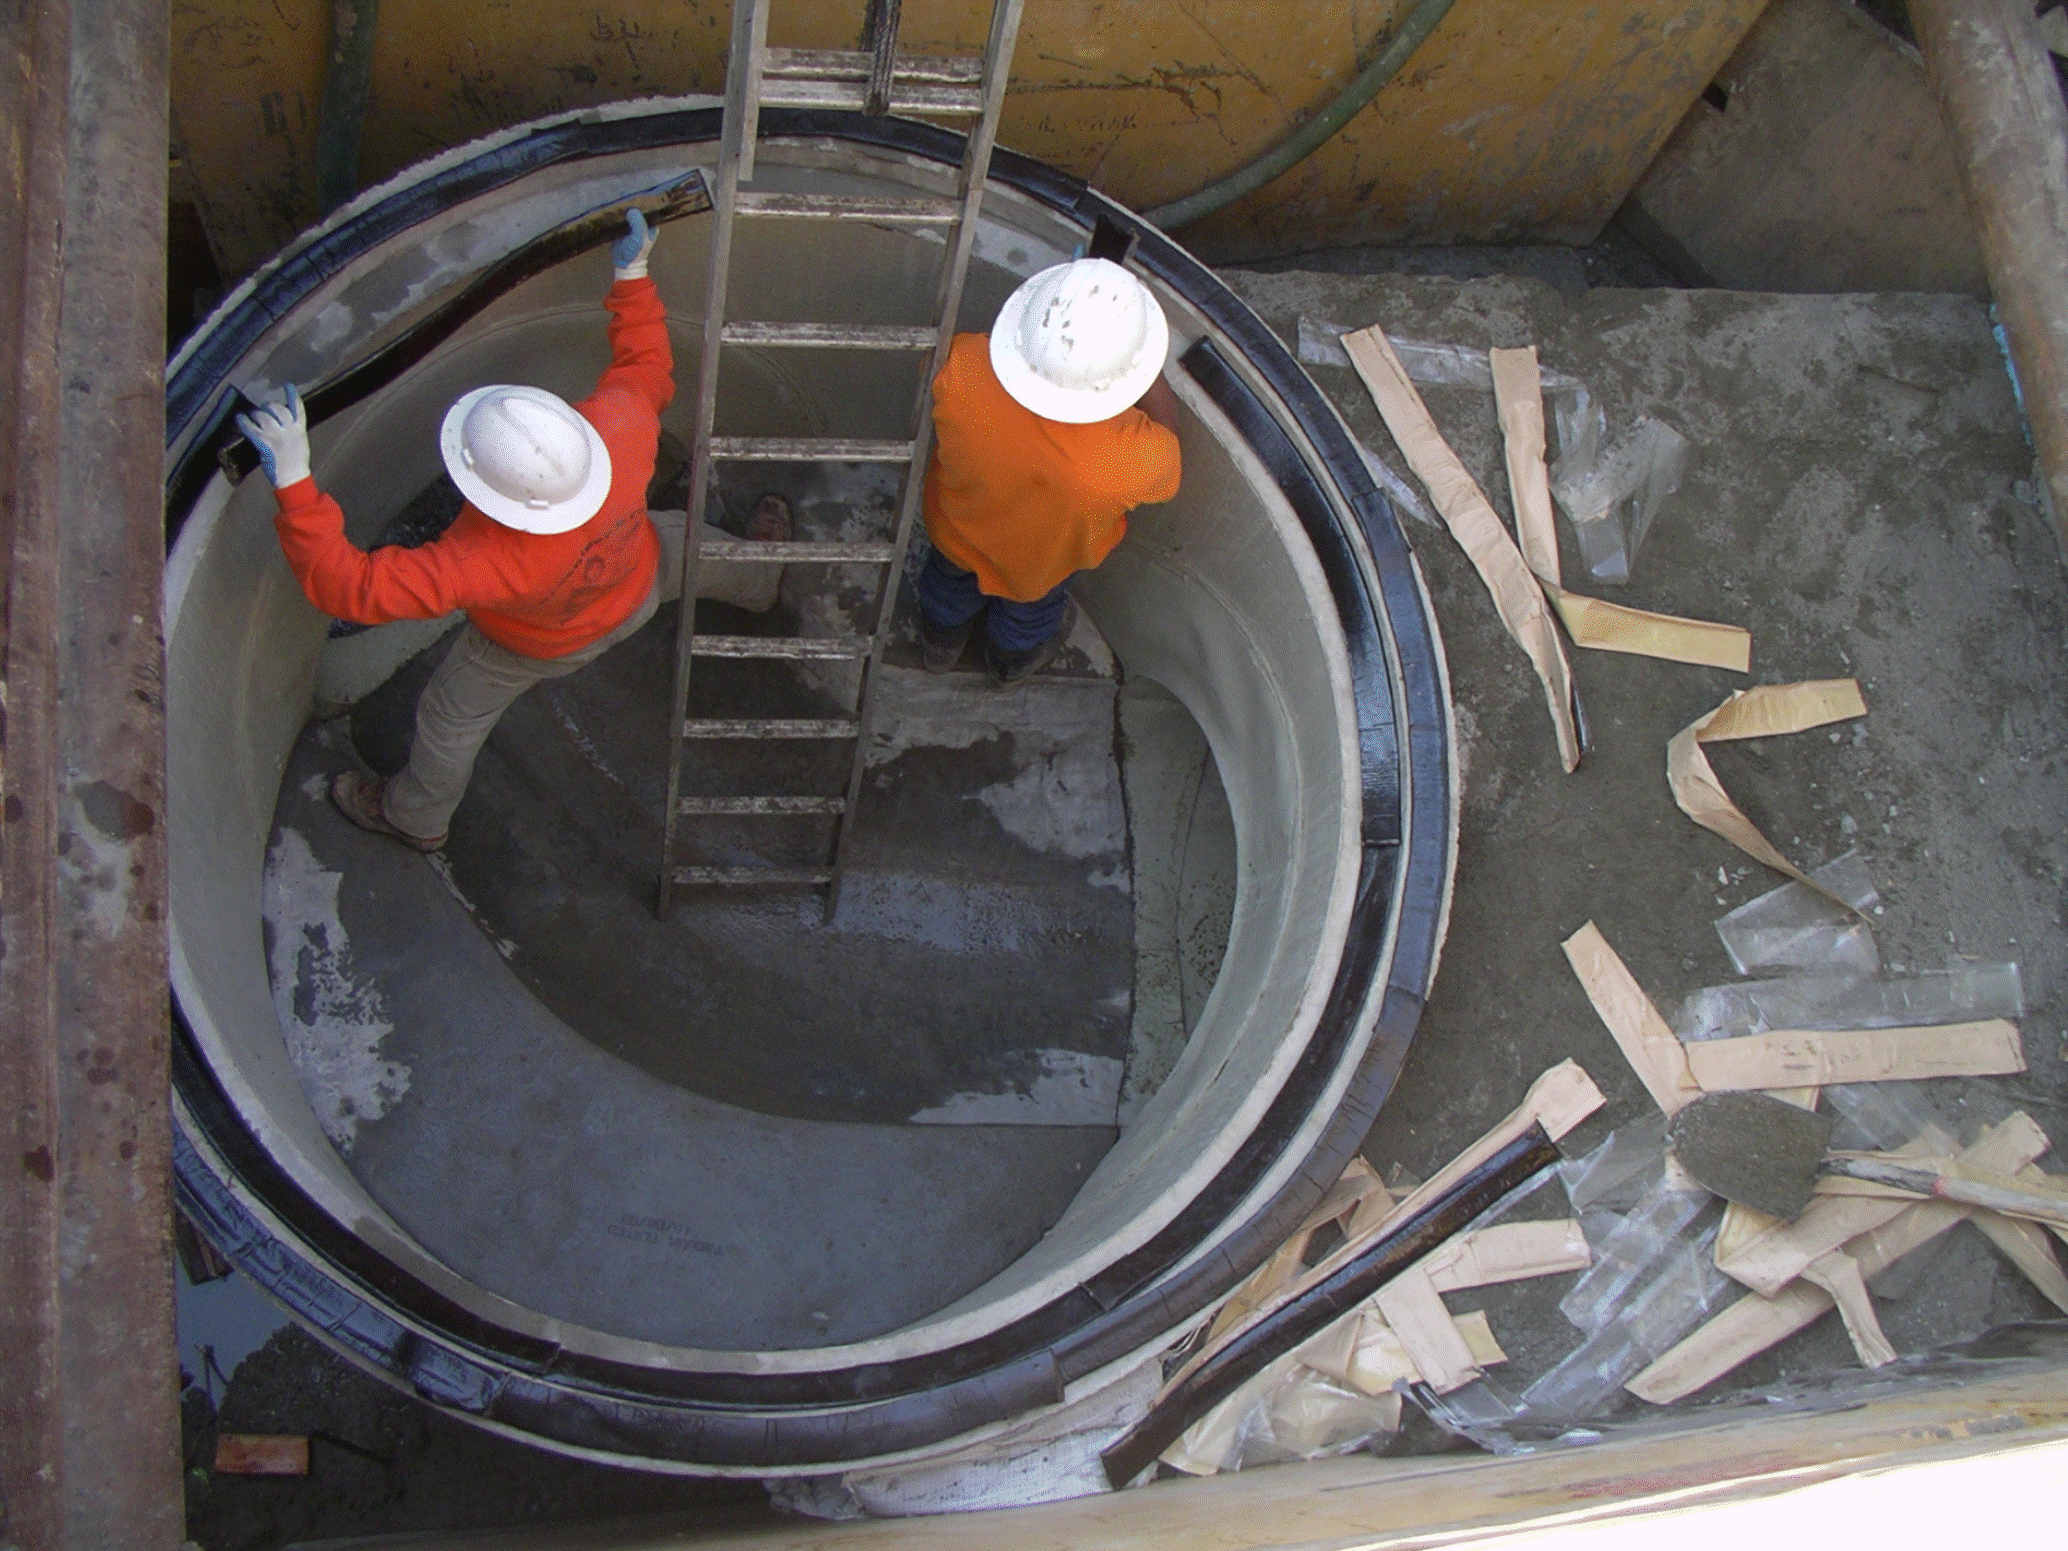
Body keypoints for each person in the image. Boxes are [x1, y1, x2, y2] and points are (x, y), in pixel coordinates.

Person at [238, 209, 787, 852]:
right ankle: (762, 580)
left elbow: (349, 588)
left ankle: (414, 818)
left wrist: (294, 480)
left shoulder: (481, 559)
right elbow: (646, 364)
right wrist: (633, 273)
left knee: (449, 718)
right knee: (692, 546)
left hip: (535, 645)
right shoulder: (622, 428)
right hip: (636, 577)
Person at [918, 256, 1182, 686]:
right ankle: (1008, 667)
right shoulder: (1138, 458)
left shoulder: (961, 362)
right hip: (1040, 569)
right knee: (1026, 618)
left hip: (954, 533)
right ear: (1131, 372)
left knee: (946, 591)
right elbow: (1168, 440)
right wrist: (1148, 376)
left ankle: (938, 647)